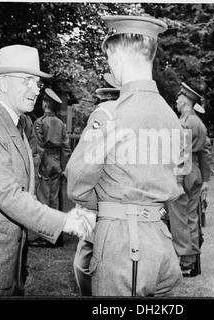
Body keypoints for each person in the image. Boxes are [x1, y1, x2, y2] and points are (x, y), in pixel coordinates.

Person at [0, 44, 95, 296]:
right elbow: (8, 196)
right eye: (27, 80)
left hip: (4, 255)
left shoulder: (14, 122)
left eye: (37, 82)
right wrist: (65, 221)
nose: (35, 89)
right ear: (3, 83)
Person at [66, 15, 184, 296]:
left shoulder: (110, 114)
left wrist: (106, 207)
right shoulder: (171, 117)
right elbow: (178, 175)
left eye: (108, 57)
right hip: (161, 239)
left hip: (122, 244)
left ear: (116, 54)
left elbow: (77, 180)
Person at [73, 83, 121, 296]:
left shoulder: (101, 117)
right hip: (120, 205)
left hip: (99, 202)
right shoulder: (129, 120)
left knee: (83, 261)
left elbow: (84, 166)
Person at [167, 82, 209, 277]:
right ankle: (191, 260)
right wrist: (206, 179)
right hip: (195, 172)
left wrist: (176, 181)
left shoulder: (184, 122)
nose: (176, 101)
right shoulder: (198, 122)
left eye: (178, 98)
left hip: (183, 172)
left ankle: (185, 261)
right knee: (191, 217)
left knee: (179, 219)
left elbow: (181, 153)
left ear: (184, 101)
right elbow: (203, 154)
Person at [28, 88, 72, 248]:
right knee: (55, 199)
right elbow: (66, 147)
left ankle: (47, 236)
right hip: (57, 162)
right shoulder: (60, 123)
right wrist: (64, 167)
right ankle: (57, 235)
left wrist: (37, 168)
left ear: (45, 103)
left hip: (45, 161)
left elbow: (38, 148)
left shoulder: (39, 122)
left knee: (44, 198)